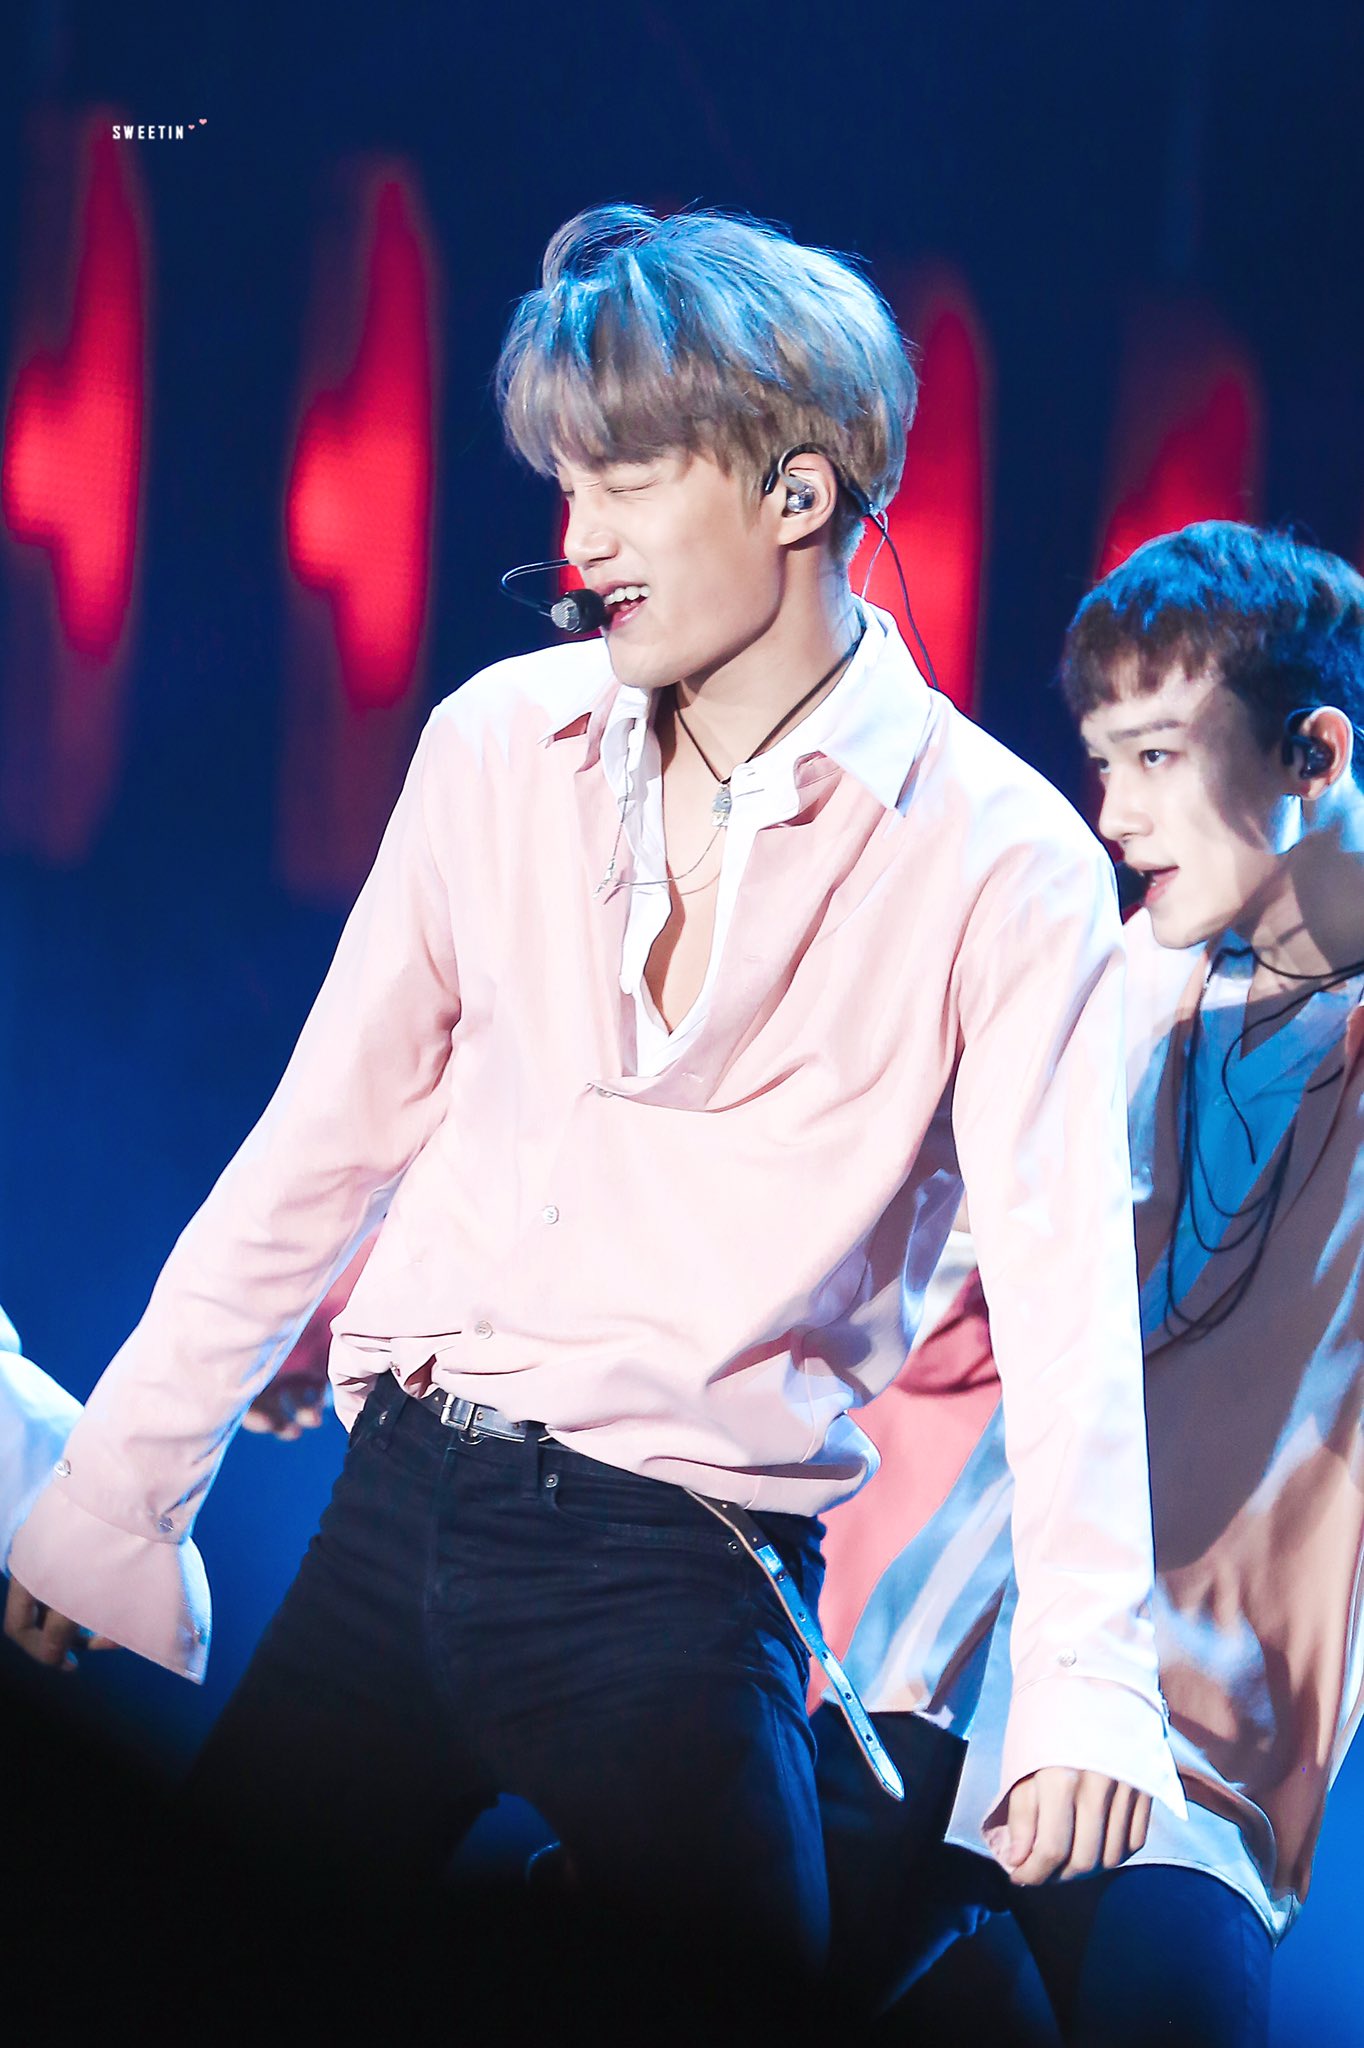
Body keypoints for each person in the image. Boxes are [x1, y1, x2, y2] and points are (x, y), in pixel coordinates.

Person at [4, 203, 1178, 1991]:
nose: (578, 540)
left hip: (675, 1568)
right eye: (566, 485)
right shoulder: (497, 742)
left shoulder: (1001, 858)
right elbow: (317, 1149)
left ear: (798, 492)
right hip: (398, 1510)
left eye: (624, 482)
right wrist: (116, 1496)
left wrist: (1088, 1678)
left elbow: (1065, 1289)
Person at [818, 521, 1364, 2047]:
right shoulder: (1118, 985)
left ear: (1313, 753)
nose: (1112, 815)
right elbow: (921, 1262)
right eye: (1102, 764)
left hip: (1192, 1736)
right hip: (939, 1664)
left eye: (1156, 759)